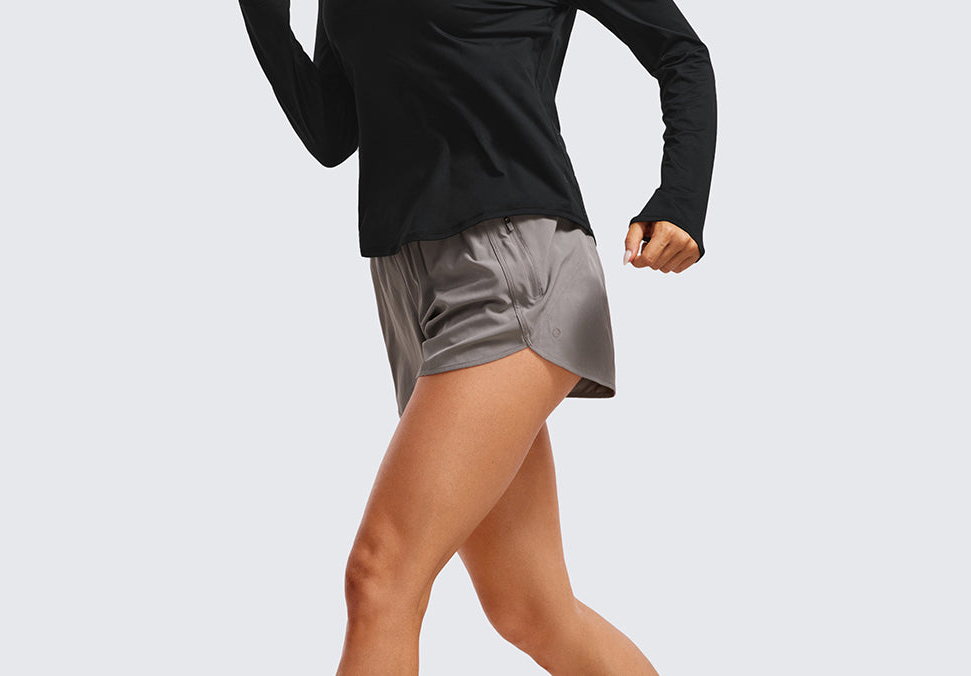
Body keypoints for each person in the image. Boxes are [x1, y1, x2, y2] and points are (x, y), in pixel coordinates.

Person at [237, 0, 716, 671]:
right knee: (532, 608)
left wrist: (681, 199)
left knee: (381, 575)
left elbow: (679, 51)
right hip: (408, 283)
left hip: (510, 263)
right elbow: (332, 129)